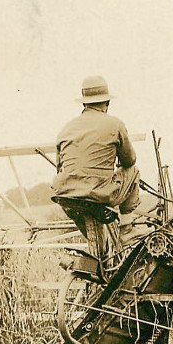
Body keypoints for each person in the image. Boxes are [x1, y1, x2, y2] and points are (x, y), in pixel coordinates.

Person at [51, 76, 140, 237]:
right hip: (98, 195)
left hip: (67, 197)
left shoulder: (66, 128)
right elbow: (129, 160)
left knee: (99, 250)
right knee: (134, 171)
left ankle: (100, 258)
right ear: (107, 103)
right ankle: (126, 228)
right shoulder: (115, 124)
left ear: (84, 103)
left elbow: (59, 166)